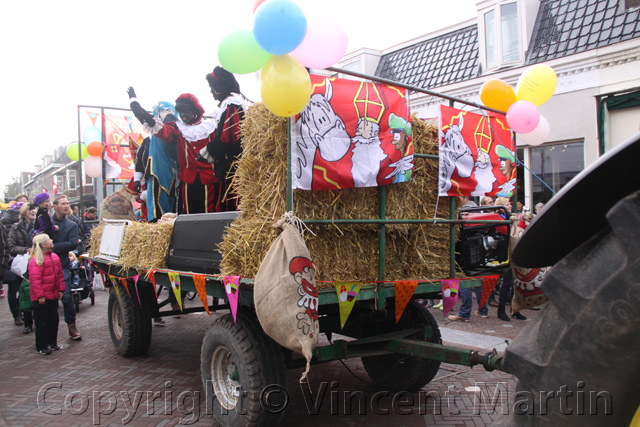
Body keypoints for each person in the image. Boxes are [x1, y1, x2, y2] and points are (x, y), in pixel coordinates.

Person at [128, 87, 220, 214]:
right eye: (180, 111)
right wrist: (136, 104)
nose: (182, 115)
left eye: (185, 111)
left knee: (208, 212)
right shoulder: (178, 129)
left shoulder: (210, 128)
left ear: (195, 111)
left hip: (209, 178)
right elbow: (159, 128)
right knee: (189, 213)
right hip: (187, 180)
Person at [199, 66, 250, 212]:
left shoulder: (231, 105)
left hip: (233, 166)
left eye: (211, 87)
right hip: (228, 166)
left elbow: (229, 138)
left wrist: (208, 151)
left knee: (231, 205)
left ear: (218, 88)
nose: (210, 91)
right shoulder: (227, 106)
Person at [134, 102, 180, 222]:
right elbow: (144, 119)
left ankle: (159, 222)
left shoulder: (171, 126)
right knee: (157, 202)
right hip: (157, 169)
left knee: (160, 204)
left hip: (162, 170)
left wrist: (138, 107)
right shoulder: (156, 131)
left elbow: (150, 121)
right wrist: (133, 101)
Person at [50, 195, 81, 340]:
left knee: (67, 296)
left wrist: (51, 247)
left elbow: (73, 243)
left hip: (63, 265)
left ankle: (71, 326)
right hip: (46, 266)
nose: (66, 206)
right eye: (63, 203)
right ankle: (48, 331)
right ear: (55, 206)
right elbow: (36, 241)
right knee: (47, 299)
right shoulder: (45, 223)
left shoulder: (72, 225)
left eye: (67, 203)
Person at [29, 234, 65, 355]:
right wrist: (40, 296)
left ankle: (52, 342)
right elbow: (35, 281)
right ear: (44, 245)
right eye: (49, 239)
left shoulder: (54, 257)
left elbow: (59, 275)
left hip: (52, 295)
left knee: (53, 320)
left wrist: (60, 289)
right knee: (42, 322)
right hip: (41, 299)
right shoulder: (36, 260)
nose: (52, 240)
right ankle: (41, 345)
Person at [494, 197, 526, 321]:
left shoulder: (507, 217)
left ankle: (515, 310)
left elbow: (518, 232)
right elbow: (512, 233)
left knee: (515, 283)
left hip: (513, 251)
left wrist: (521, 221)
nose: (509, 206)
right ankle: (501, 309)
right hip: (507, 253)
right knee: (507, 283)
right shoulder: (499, 218)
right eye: (507, 204)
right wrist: (518, 223)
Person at [8, 203, 37, 333]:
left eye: (34, 209)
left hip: (37, 261)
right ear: (25, 212)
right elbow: (11, 246)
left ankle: (37, 319)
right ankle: (27, 322)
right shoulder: (16, 227)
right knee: (24, 292)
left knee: (36, 290)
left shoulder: (38, 225)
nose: (33, 211)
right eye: (30, 209)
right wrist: (25, 250)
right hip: (23, 263)